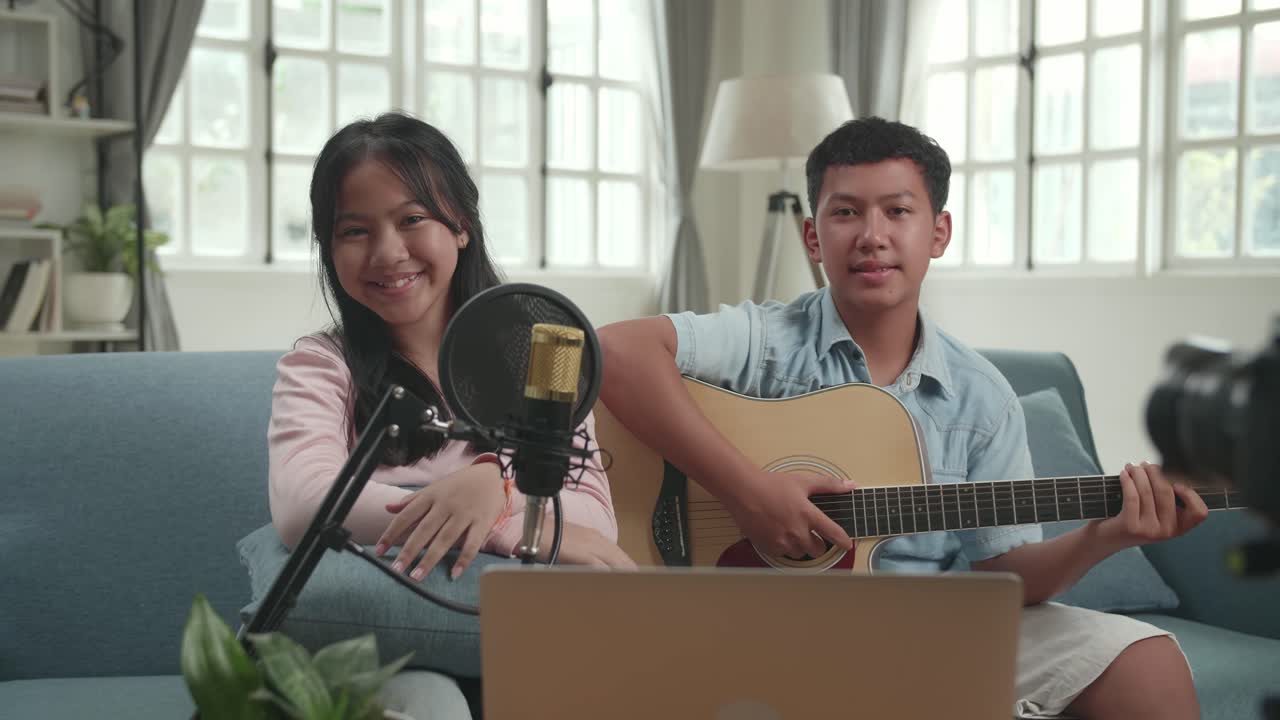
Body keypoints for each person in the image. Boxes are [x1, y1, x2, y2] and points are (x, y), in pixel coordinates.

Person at [597, 116, 1209, 719]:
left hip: (922, 631)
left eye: (897, 211)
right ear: (813, 237)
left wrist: (1109, 535)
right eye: (846, 213)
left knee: (1146, 661)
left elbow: (1008, 577)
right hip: (759, 621)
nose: (872, 235)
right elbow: (618, 350)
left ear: (939, 233)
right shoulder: (766, 340)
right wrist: (749, 493)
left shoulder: (981, 398)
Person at [267, 111, 635, 581]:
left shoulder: (543, 354)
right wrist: (498, 517)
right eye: (354, 231)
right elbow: (305, 506)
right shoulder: (319, 366)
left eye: (412, 219)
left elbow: (597, 518)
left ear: (461, 225)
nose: (387, 253)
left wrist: (493, 488)